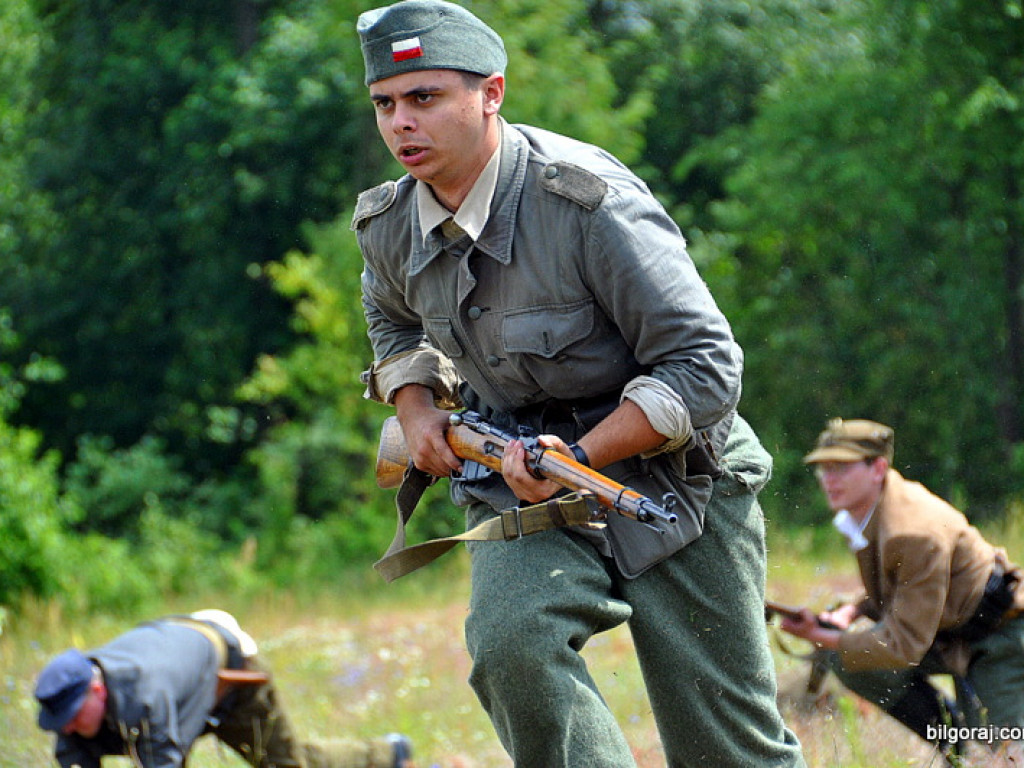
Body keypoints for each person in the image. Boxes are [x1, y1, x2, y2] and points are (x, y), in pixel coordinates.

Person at [351, 2, 805, 766]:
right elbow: (392, 320)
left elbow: (706, 365)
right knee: (511, 651)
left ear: (491, 93)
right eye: (385, 105)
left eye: (425, 97)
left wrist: (583, 454)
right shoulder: (388, 223)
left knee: (723, 746)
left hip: (676, 478)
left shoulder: (586, 202)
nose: (402, 123)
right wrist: (418, 407)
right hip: (517, 468)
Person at [781, 418, 1024, 764]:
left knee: (1005, 755)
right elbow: (898, 588)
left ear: (878, 467)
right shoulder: (868, 509)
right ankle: (956, 748)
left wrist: (822, 635)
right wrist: (851, 612)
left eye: (841, 467)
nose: (828, 479)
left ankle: (968, 747)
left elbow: (903, 645)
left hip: (996, 639)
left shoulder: (912, 531)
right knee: (852, 661)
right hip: (944, 632)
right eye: (823, 468)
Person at [34, 609, 412, 768]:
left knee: (289, 764)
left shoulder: (145, 699)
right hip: (184, 680)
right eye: (59, 722)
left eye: (72, 716)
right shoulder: (71, 714)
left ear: (97, 690)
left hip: (229, 676)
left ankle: (387, 753)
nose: (66, 728)